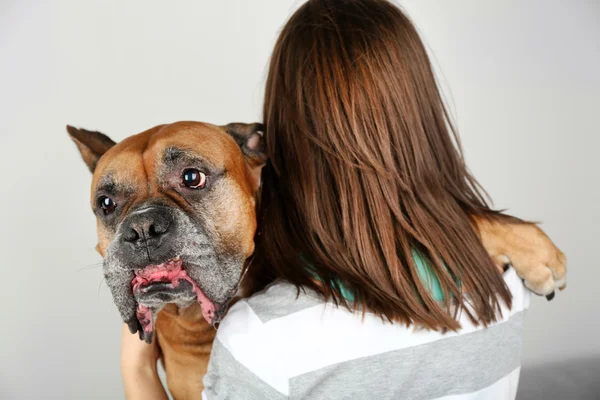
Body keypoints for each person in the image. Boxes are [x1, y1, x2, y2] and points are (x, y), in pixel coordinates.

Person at [123, 1, 565, 399]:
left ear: (278, 143)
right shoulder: (508, 284)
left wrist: (137, 366)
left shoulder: (261, 342)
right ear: (425, 121)